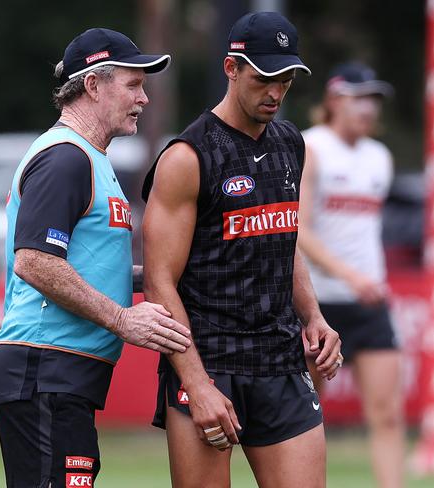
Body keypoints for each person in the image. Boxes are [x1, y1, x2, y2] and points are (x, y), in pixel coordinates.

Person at [142, 11, 343, 488]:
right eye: (264, 78)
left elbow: (284, 239)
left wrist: (312, 316)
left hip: (279, 359)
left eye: (287, 79)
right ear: (231, 69)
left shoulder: (291, 143)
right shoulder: (187, 156)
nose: (276, 92)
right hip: (209, 363)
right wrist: (195, 383)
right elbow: (158, 282)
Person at [0, 27, 192, 488]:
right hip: (43, 370)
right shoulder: (67, 158)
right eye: (133, 85)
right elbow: (34, 261)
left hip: (60, 376)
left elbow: (87, 262)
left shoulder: (92, 159)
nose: (144, 99)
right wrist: (122, 319)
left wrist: (166, 275)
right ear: (94, 85)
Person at [298, 62, 405, 488]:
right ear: (335, 100)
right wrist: (348, 275)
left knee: (389, 413)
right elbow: (299, 229)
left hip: (369, 301)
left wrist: (365, 280)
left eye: (374, 100)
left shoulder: (380, 157)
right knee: (305, 415)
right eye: (360, 98)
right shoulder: (311, 147)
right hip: (319, 302)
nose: (368, 108)